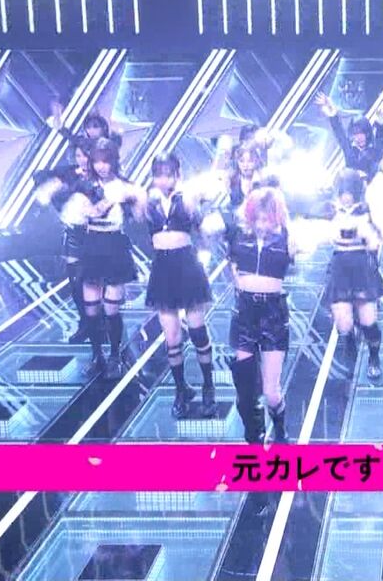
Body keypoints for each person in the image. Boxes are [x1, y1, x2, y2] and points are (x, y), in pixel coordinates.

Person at [138, 154, 216, 419]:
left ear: (177, 174)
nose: (163, 180)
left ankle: (208, 386)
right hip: (162, 269)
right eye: (158, 174)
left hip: (187, 266)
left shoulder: (187, 197)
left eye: (168, 174)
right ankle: (181, 390)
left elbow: (204, 228)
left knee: (197, 331)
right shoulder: (147, 201)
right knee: (171, 337)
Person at [223, 187, 299, 443]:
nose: (262, 224)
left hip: (273, 313)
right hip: (244, 312)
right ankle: (254, 434)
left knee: (271, 391)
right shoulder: (238, 235)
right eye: (257, 218)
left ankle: (280, 430)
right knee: (245, 387)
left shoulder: (287, 236)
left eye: (267, 218)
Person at [77, 138, 143, 379]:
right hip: (92, 245)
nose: (101, 166)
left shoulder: (125, 187)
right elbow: (82, 214)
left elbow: (139, 218)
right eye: (97, 161)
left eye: (105, 161)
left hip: (114, 245)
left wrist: (134, 199)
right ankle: (97, 356)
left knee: (111, 309)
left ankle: (115, 355)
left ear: (113, 161)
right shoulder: (85, 185)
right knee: (91, 310)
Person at [321, 170, 383, 379]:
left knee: (369, 323)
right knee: (344, 324)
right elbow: (321, 234)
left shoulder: (368, 212)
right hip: (340, 268)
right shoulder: (330, 210)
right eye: (343, 193)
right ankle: (350, 350)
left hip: (362, 268)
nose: (346, 198)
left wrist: (366, 232)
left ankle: (374, 358)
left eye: (349, 193)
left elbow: (377, 242)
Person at [34, 137, 94, 344]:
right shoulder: (69, 174)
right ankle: (85, 323)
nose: (82, 160)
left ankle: (101, 322)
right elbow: (45, 186)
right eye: (78, 156)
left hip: (98, 235)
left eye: (86, 156)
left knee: (95, 282)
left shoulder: (103, 176)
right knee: (76, 282)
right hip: (74, 234)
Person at [316, 92, 383, 178]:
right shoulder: (351, 153)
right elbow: (341, 135)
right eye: (355, 134)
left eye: (361, 133)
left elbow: (381, 142)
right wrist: (333, 115)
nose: (359, 137)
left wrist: (380, 124)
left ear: (367, 133)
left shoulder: (375, 153)